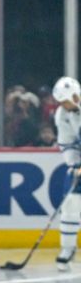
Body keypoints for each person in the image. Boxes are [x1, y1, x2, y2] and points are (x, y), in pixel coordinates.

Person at [52, 76, 81, 271]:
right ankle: (67, 248)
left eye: (67, 100)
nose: (65, 105)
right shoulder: (62, 114)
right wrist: (74, 164)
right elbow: (67, 143)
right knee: (71, 202)